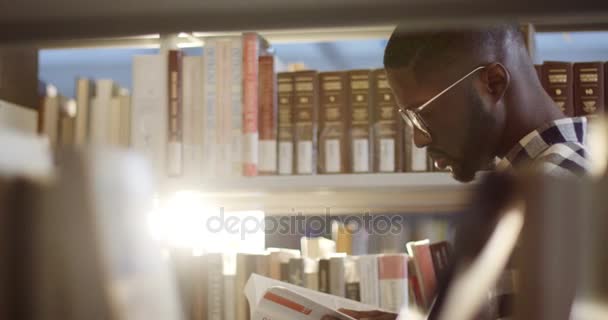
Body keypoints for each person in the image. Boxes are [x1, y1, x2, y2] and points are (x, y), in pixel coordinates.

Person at [323, 23, 591, 320]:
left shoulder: (556, 186)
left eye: (423, 114)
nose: (419, 138)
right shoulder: (531, 184)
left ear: (494, 83)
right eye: (410, 120)